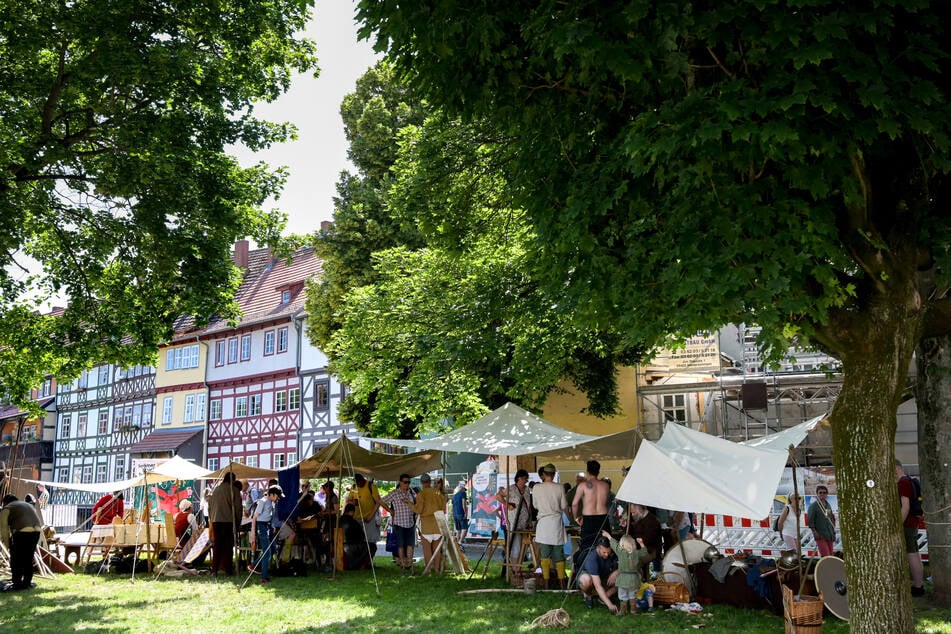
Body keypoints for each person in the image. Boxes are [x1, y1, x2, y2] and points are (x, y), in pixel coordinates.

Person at [532, 463, 568, 589]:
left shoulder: (536, 488)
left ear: (543, 474)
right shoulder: (560, 487)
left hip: (543, 523)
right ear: (553, 474)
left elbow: (535, 505)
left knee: (545, 554)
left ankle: (546, 583)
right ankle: (562, 583)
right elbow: (564, 506)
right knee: (559, 554)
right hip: (556, 522)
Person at [601, 530, 652, 615]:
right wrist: (641, 543)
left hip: (623, 578)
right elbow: (645, 553)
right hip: (633, 579)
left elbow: (614, 545)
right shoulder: (637, 553)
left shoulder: (621, 552)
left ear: (623, 544)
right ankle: (633, 611)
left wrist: (608, 536)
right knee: (632, 595)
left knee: (622, 595)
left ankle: (623, 611)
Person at [0, 494, 42, 590]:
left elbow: (3, 530)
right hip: (36, 532)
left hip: (22, 532)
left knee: (16, 559)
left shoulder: (7, 508)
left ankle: (17, 584)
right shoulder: (25, 505)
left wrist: (8, 546)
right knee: (28, 558)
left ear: (5, 502)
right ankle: (27, 583)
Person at [896, 460, 925, 596]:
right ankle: (918, 585)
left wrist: (898, 525)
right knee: (914, 553)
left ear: (897, 468)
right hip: (912, 522)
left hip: (907, 523)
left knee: (912, 553)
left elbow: (905, 506)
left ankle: (918, 586)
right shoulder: (908, 480)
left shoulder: (903, 483)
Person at [409, 473, 447, 574]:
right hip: (437, 524)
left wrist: (409, 504)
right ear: (430, 482)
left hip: (426, 525)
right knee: (437, 549)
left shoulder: (421, 494)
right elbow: (444, 509)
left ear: (421, 483)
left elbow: (418, 510)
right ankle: (437, 569)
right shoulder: (438, 493)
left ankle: (429, 569)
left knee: (427, 549)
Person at [572, 460, 611, 558]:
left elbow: (574, 504)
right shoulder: (605, 485)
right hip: (603, 519)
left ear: (587, 471)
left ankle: (589, 570)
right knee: (605, 547)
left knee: (587, 548)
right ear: (599, 471)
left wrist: (576, 518)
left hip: (589, 519)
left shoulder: (583, 485)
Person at [498, 468, 533, 572]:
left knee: (523, 547)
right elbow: (498, 496)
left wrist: (530, 519)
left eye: (526, 480)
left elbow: (529, 505)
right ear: (519, 478)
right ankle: (515, 570)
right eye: (524, 479)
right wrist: (507, 504)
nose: (525, 481)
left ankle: (519, 567)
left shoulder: (526, 490)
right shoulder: (511, 489)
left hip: (524, 523)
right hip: (514, 522)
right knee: (516, 547)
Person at [383, 473, 417, 574]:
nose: (407, 484)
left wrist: (411, 504)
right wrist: (390, 510)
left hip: (411, 523)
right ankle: (403, 565)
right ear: (400, 482)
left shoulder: (412, 493)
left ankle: (410, 565)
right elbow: (381, 501)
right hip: (399, 523)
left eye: (409, 482)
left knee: (410, 544)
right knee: (401, 545)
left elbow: (417, 504)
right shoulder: (395, 493)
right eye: (405, 482)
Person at [248, 485, 283, 584]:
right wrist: (253, 533)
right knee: (267, 552)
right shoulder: (262, 501)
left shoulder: (272, 502)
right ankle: (264, 577)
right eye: (277, 496)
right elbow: (254, 518)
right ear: (271, 494)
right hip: (261, 526)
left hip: (268, 526)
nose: (278, 498)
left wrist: (272, 526)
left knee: (272, 549)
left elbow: (269, 516)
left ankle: (254, 565)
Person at [209, 472, 242, 576]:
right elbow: (238, 508)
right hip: (228, 521)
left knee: (217, 545)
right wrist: (238, 523)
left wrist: (212, 518)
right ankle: (227, 569)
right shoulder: (234, 490)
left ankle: (214, 569)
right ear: (233, 480)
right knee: (228, 546)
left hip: (215, 521)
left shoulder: (215, 490)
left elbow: (210, 507)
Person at [578, 535, 620, 613]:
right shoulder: (592, 558)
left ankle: (603, 597)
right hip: (592, 580)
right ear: (598, 548)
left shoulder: (613, 553)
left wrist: (617, 572)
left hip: (604, 578)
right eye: (604, 552)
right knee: (586, 580)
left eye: (608, 552)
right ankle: (588, 594)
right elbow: (597, 585)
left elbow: (627, 564)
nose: (607, 554)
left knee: (624, 577)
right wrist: (610, 605)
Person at [347, 473, 383, 557]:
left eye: (360, 482)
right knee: (358, 541)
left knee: (370, 542)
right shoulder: (353, 487)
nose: (359, 485)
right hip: (356, 518)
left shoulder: (371, 486)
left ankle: (369, 562)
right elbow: (349, 500)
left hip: (369, 518)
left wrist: (371, 516)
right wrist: (353, 502)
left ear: (363, 480)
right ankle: (360, 561)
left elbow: (378, 502)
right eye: (357, 483)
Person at [624, 504, 662, 580]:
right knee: (622, 557)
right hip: (637, 548)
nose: (632, 515)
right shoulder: (637, 517)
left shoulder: (652, 521)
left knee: (633, 562)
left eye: (633, 512)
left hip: (650, 550)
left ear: (641, 509)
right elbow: (629, 533)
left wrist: (632, 542)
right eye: (631, 513)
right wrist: (625, 525)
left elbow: (647, 541)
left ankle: (635, 582)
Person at [806, 486, 836, 557]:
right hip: (820, 534)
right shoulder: (814, 506)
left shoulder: (827, 505)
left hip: (829, 534)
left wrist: (833, 530)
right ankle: (826, 568)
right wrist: (814, 532)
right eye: (820, 492)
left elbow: (828, 517)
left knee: (831, 554)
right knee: (826, 555)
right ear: (817, 494)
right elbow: (810, 520)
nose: (822, 494)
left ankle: (829, 568)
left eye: (824, 492)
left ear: (827, 494)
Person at [338, 503, 370, 570]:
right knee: (371, 546)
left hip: (338, 545)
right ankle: (362, 566)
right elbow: (362, 536)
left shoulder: (338, 520)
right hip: (350, 548)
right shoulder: (354, 522)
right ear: (352, 512)